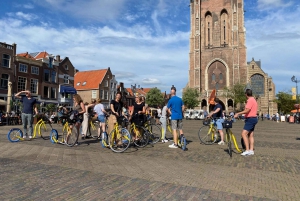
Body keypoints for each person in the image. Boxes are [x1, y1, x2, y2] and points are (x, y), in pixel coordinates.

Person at [234, 89, 258, 156]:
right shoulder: (254, 100)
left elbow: (247, 110)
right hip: (254, 118)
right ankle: (251, 150)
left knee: (243, 134)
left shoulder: (250, 100)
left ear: (246, 94)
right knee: (250, 135)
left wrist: (238, 113)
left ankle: (247, 150)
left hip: (250, 119)